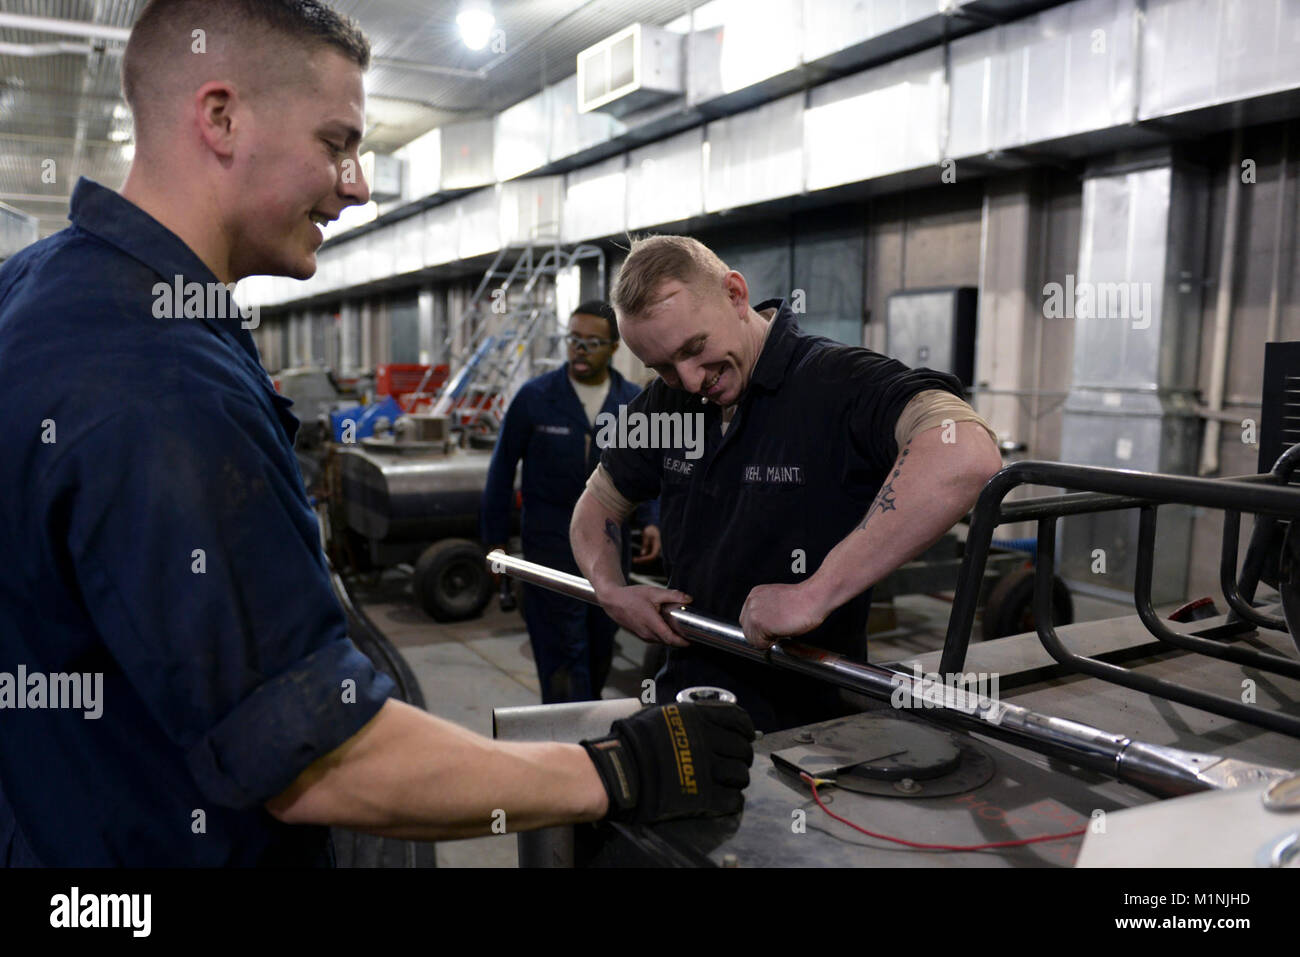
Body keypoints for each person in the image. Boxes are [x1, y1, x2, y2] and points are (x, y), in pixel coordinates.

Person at [0, 0, 751, 867]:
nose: (356, 183)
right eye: (336, 142)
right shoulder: (157, 375)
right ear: (221, 116)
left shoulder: (39, 293)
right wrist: (620, 768)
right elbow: (321, 759)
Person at [571, 235, 1003, 732]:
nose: (690, 380)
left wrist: (814, 593)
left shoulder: (834, 383)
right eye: (663, 366)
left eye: (694, 349)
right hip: (687, 703)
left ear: (735, 294)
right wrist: (611, 589)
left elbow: (966, 453)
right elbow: (596, 504)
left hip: (810, 728)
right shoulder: (669, 403)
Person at [481, 302, 661, 703]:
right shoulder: (534, 398)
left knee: (600, 645)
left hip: (610, 551)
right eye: (574, 340)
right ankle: (565, 742)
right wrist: (494, 540)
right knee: (561, 653)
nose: (580, 349)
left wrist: (651, 520)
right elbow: (501, 471)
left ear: (615, 347)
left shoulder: (632, 402)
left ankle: (583, 732)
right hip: (549, 550)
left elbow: (647, 472)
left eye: (593, 342)